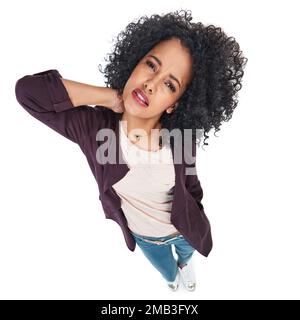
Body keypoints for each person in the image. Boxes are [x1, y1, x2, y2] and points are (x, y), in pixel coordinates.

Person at [15, 10, 247, 292]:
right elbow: (28, 92)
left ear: (175, 103)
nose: (151, 84)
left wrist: (195, 208)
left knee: (187, 255)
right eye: (151, 65)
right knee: (166, 271)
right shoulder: (97, 131)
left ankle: (186, 265)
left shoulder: (181, 140)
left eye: (169, 84)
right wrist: (110, 97)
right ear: (135, 61)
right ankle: (172, 279)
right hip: (146, 238)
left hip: (185, 230)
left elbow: (191, 184)